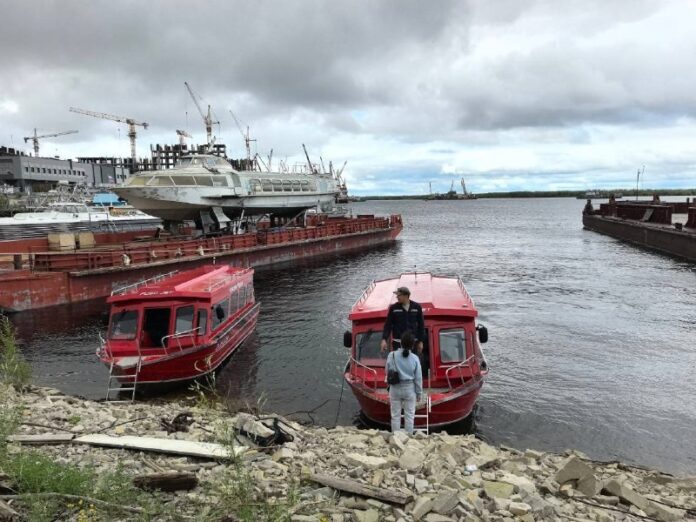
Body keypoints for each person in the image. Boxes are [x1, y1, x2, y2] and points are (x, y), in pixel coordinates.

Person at [385, 331, 422, 434]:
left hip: (395, 388)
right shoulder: (415, 358)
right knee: (409, 416)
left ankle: (396, 437)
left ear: (400, 342)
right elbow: (418, 378)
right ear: (412, 345)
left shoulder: (391, 355)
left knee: (395, 415)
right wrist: (419, 393)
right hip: (409, 389)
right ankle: (408, 437)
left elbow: (387, 371)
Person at [380, 286, 425, 354]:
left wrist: (421, 341)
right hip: (398, 343)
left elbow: (421, 325)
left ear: (406, 296)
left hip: (413, 343)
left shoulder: (417, 307)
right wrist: (384, 339)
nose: (397, 297)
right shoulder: (393, 308)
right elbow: (388, 325)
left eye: (399, 295)